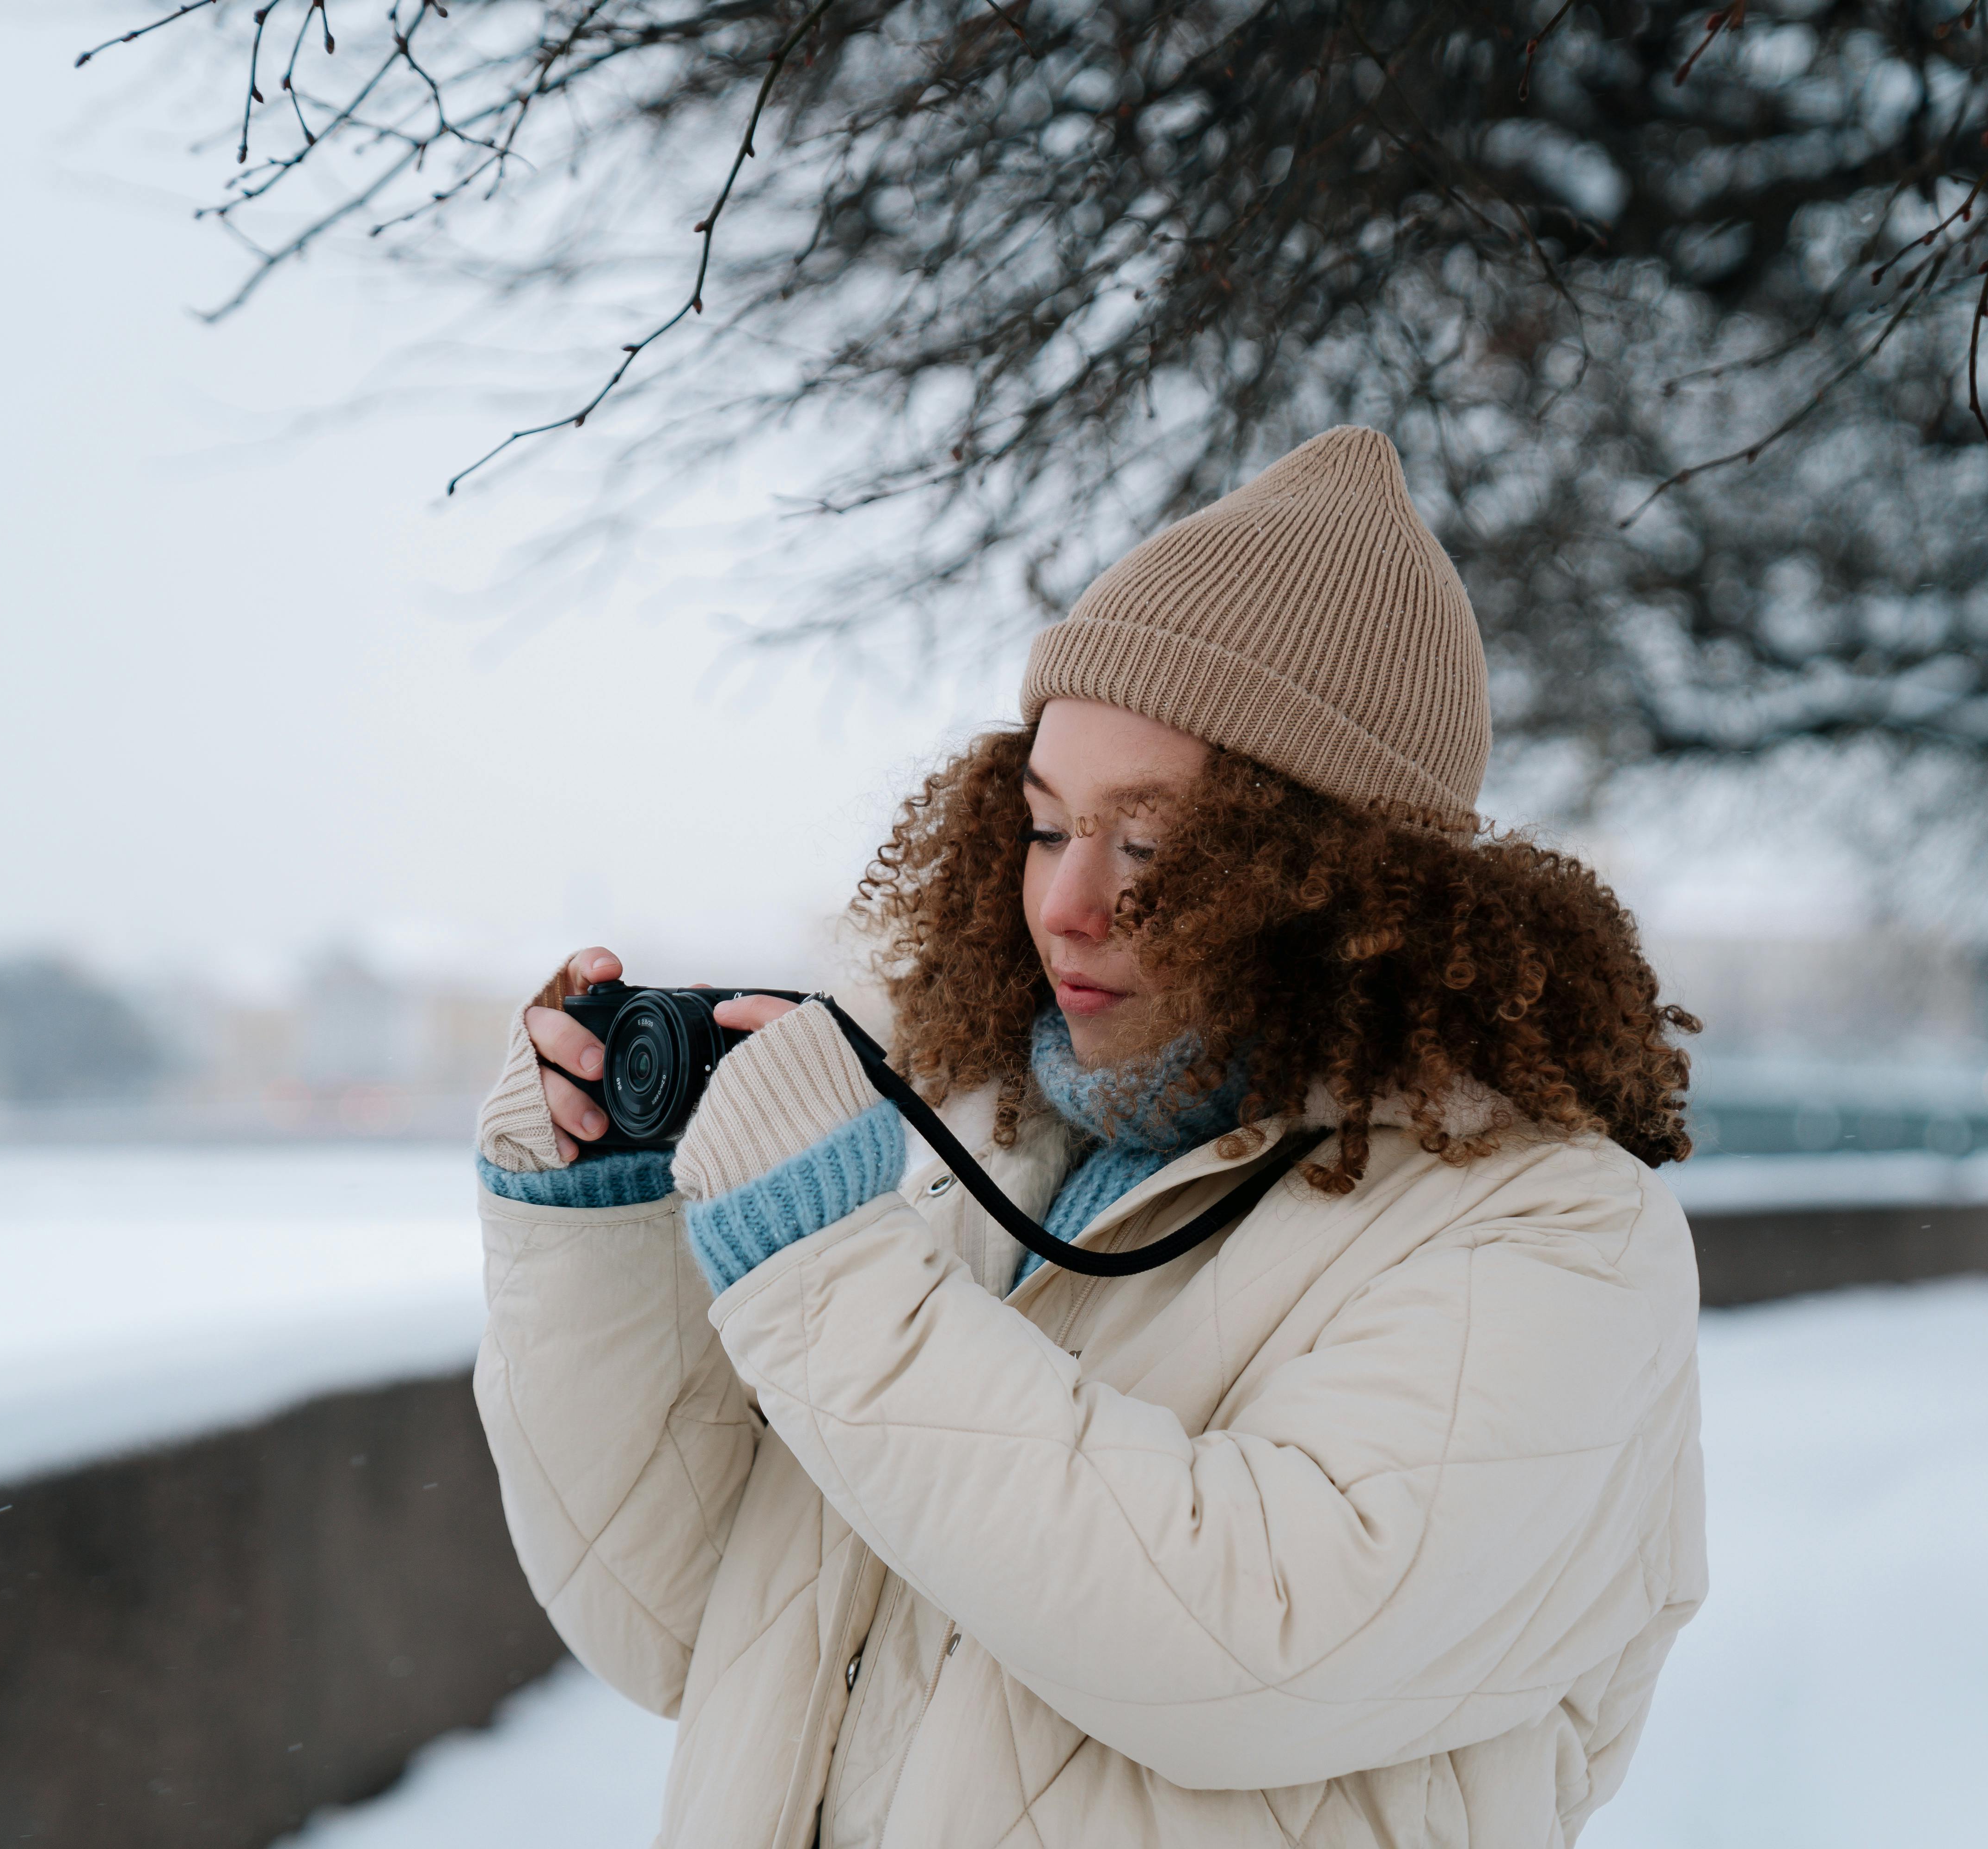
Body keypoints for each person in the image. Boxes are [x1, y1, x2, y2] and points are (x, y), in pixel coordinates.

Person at [472, 427, 1706, 1849]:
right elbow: (689, 1631)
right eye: (1048, 827)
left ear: (1344, 885)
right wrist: (601, 1220)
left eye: (1151, 845)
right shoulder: (972, 1158)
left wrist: (825, 1273)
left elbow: (1256, 1646)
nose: (1065, 903)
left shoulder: (1549, 1231)